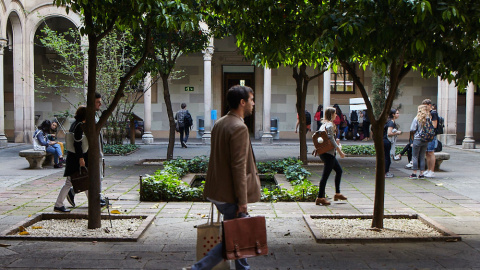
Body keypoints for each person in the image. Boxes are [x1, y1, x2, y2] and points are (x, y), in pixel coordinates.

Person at [184, 85, 261, 270]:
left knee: (237, 236)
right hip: (231, 196)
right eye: (251, 100)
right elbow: (238, 167)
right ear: (242, 102)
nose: (253, 103)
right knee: (232, 239)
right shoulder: (239, 127)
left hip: (218, 191)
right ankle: (197, 269)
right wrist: (242, 201)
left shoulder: (220, 123)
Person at [67, 93, 107, 207]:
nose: (100, 104)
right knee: (93, 176)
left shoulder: (94, 116)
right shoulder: (88, 118)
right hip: (91, 152)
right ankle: (95, 198)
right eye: (97, 102)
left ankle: (95, 198)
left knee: (91, 177)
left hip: (95, 151)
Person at [53, 106, 87, 212]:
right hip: (75, 158)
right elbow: (78, 143)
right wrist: (81, 158)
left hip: (73, 157)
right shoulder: (80, 125)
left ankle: (94, 201)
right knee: (71, 182)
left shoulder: (74, 124)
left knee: (84, 179)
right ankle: (58, 204)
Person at [315, 107, 347, 206]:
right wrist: (340, 151)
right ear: (331, 115)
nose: (336, 115)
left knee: (339, 171)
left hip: (324, 153)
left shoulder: (323, 125)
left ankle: (337, 193)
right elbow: (332, 140)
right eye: (335, 113)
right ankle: (320, 197)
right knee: (325, 176)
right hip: (328, 154)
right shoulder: (329, 125)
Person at [409, 104, 431, 179]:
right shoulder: (428, 119)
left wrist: (412, 138)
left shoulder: (417, 118)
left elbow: (412, 129)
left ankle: (414, 173)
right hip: (426, 140)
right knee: (422, 156)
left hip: (417, 139)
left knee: (415, 156)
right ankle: (421, 173)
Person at [384, 109, 402, 178]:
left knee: (387, 157)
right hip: (387, 141)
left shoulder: (390, 122)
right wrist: (397, 132)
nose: (398, 114)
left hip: (386, 141)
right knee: (387, 158)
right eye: (397, 113)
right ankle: (386, 172)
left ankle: (386, 171)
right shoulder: (391, 123)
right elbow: (389, 133)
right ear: (393, 114)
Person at [423, 99, 438, 178]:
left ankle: (432, 170)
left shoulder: (433, 113)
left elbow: (434, 125)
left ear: (429, 105)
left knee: (431, 152)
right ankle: (428, 169)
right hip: (428, 135)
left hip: (432, 135)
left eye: (425, 106)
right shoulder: (428, 114)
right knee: (427, 152)